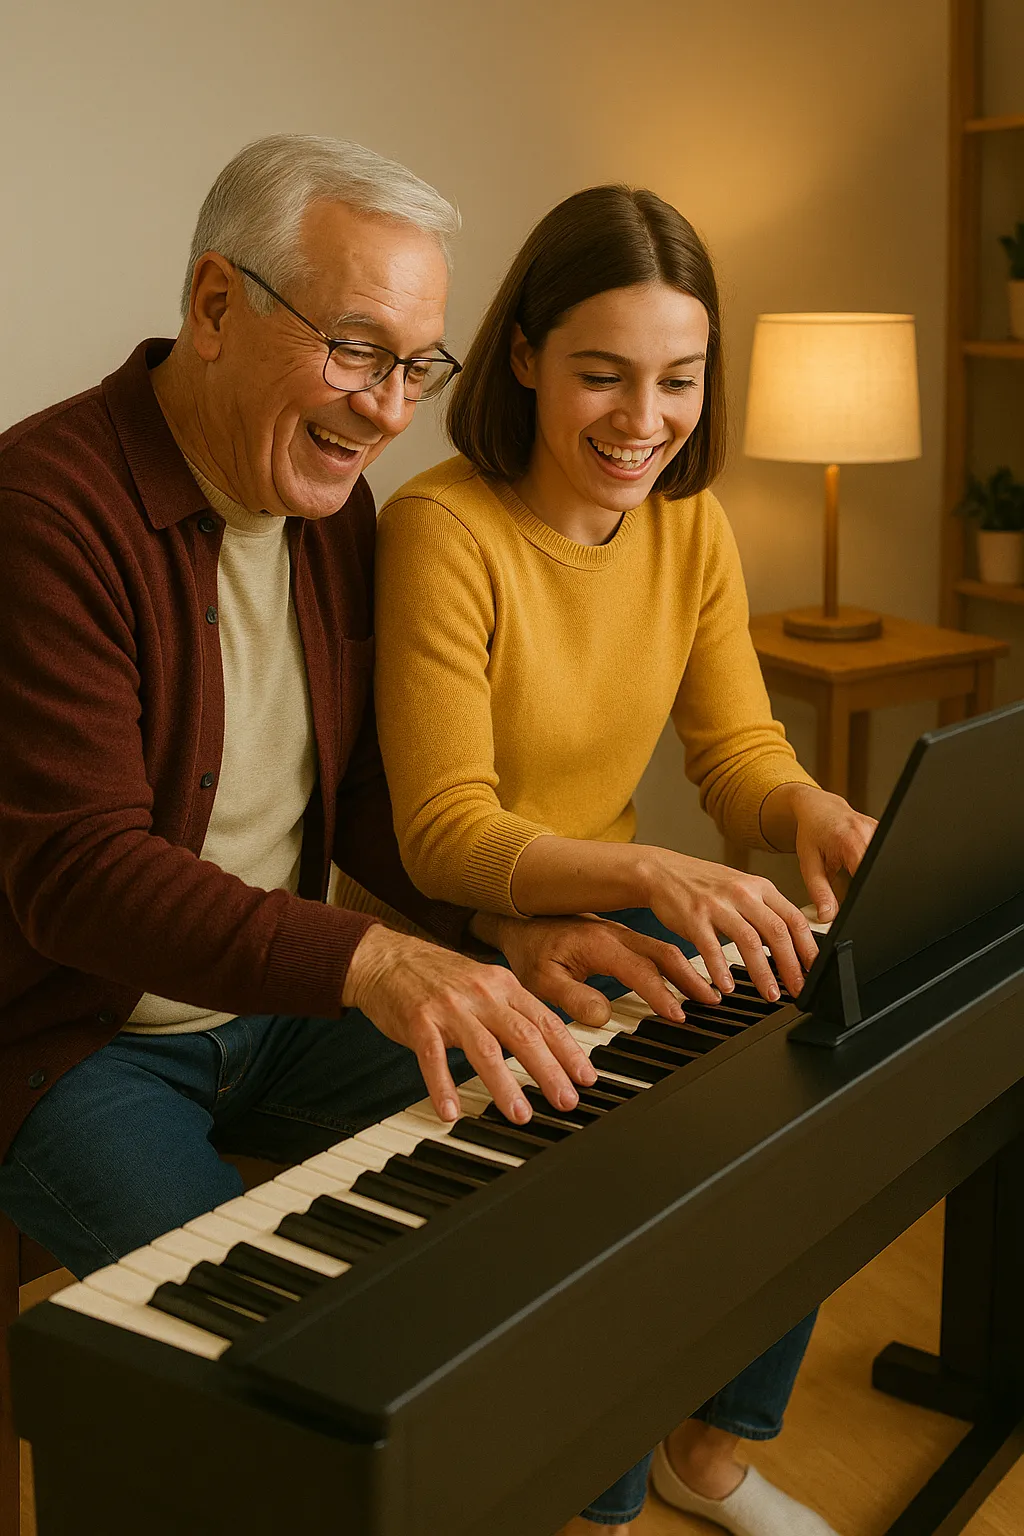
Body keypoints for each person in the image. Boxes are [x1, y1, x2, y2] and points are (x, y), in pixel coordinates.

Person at [0, 139, 705, 1295]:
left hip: (273, 1007)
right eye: (354, 350)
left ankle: (559, 1472)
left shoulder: (328, 508)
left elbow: (363, 790)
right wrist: (376, 958)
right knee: (264, 1322)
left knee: (571, 1146)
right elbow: (83, 872)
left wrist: (496, 932)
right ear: (215, 304)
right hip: (69, 1048)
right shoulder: (44, 513)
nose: (386, 409)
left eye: (416, 364)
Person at [375, 186, 878, 1536]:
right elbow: (443, 832)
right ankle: (592, 1509)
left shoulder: (689, 527)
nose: (642, 420)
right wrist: (655, 874)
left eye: (678, 381)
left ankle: (706, 1451)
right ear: (525, 355)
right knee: (624, 1180)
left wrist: (812, 810)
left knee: (819, 1076)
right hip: (457, 938)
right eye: (603, 374)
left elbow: (736, 753)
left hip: (602, 917)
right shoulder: (444, 530)